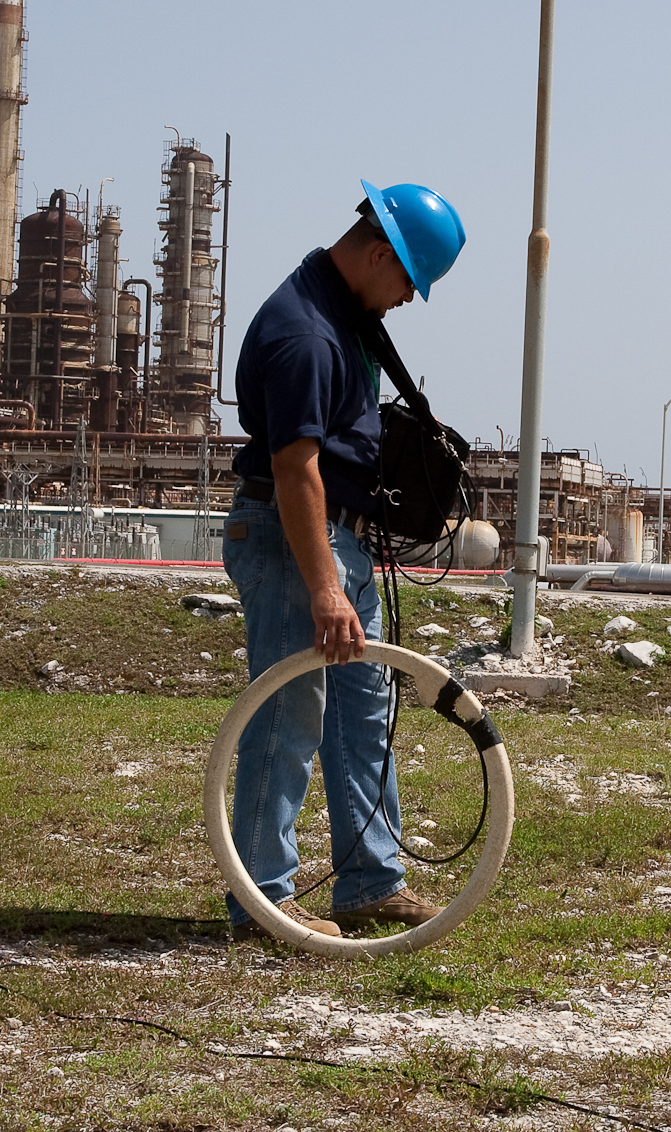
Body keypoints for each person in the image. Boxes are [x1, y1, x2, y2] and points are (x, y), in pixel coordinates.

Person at [223, 180, 467, 941]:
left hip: (340, 536)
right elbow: (296, 471)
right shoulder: (305, 331)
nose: (405, 300)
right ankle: (262, 897)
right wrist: (326, 586)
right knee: (290, 707)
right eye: (407, 284)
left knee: (363, 708)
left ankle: (369, 881)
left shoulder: (342, 315)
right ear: (374, 254)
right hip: (295, 533)